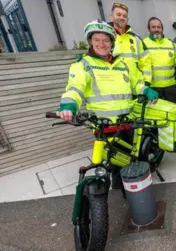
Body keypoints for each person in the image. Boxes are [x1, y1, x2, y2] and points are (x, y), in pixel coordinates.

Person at [56, 20, 158, 189]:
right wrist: (69, 105)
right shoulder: (83, 65)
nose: (102, 44)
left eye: (106, 40)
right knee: (113, 162)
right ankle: (120, 191)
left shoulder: (122, 64)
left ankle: (131, 191)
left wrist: (146, 90)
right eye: (97, 40)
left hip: (127, 122)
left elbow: (136, 84)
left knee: (131, 159)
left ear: (112, 43)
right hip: (104, 126)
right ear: (90, 42)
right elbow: (75, 88)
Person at [108, 2, 152, 85]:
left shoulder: (136, 38)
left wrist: (147, 82)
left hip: (136, 86)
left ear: (127, 19)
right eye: (118, 14)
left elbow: (145, 61)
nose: (122, 18)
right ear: (112, 16)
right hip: (115, 87)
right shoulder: (105, 38)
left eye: (124, 16)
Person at [143, 17, 176, 103]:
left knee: (172, 113)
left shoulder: (170, 43)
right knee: (156, 114)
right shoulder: (143, 44)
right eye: (153, 27)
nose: (156, 29)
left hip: (170, 86)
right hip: (153, 87)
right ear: (149, 29)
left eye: (159, 27)